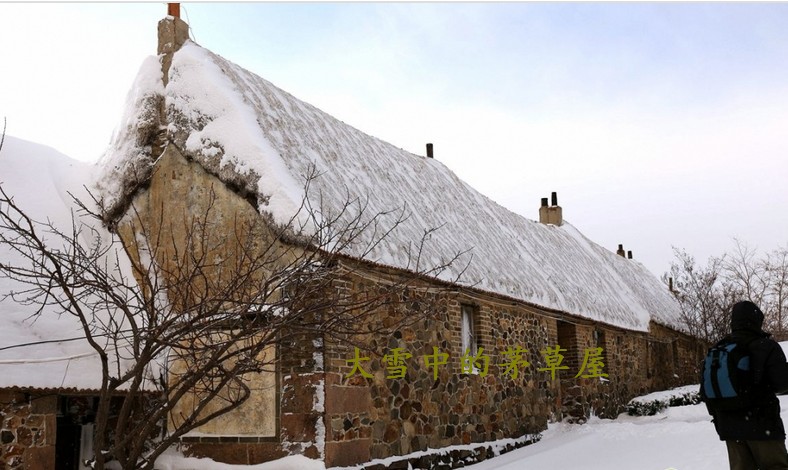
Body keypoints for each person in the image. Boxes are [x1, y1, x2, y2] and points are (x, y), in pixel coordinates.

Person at [709, 300, 788, 470]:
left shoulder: (720, 348)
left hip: (729, 427)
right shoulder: (766, 346)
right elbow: (782, 383)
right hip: (763, 425)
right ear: (757, 320)